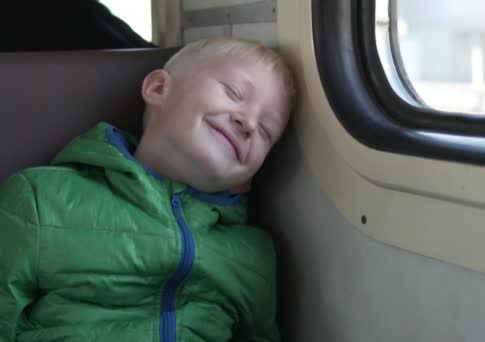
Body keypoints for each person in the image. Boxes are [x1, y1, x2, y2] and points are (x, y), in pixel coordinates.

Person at [0, 37, 296, 341]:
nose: (247, 122)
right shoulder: (41, 197)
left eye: (265, 130)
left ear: (246, 179)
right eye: (234, 93)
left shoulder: (253, 255)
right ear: (158, 89)